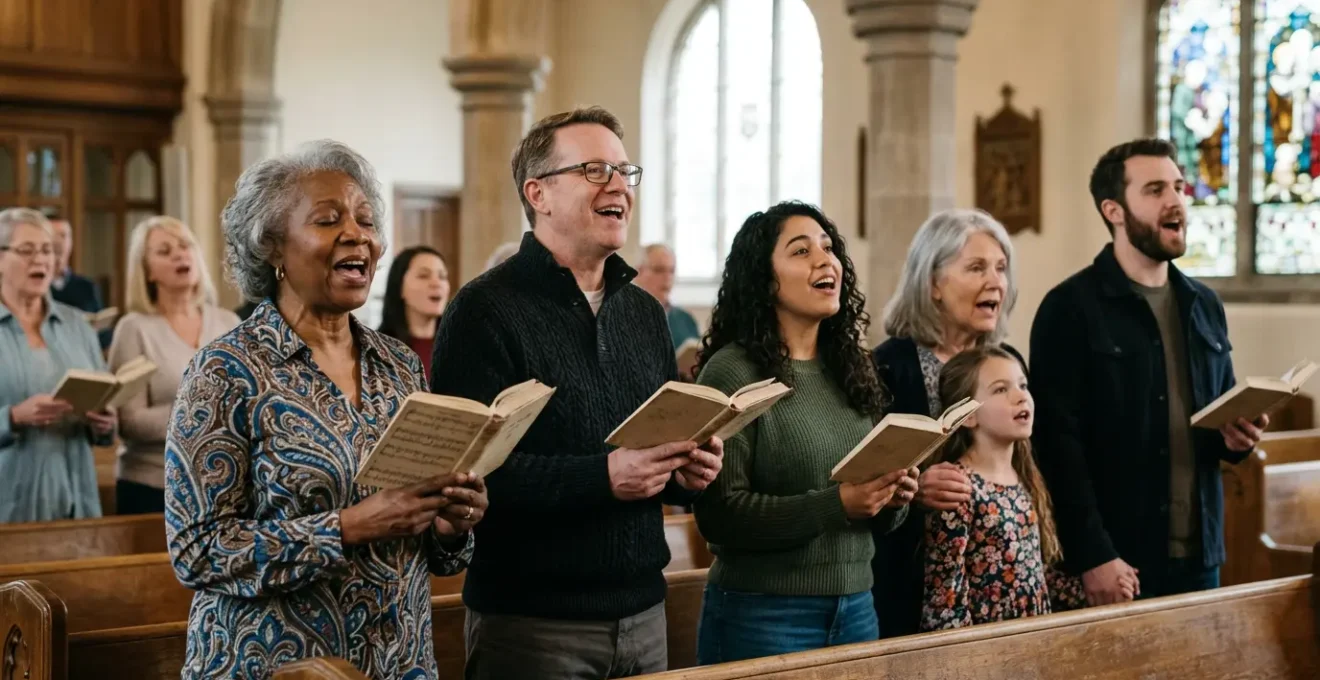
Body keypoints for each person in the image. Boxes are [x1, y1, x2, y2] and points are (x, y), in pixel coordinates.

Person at [164, 140, 488, 680]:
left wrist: (452, 523)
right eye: (328, 219)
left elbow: (437, 556)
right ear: (272, 246)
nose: (357, 234)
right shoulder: (225, 371)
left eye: (366, 220)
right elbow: (197, 551)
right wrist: (346, 527)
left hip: (397, 659)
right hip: (276, 663)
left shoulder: (399, 364)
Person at [430, 106, 724, 680]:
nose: (619, 186)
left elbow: (651, 453)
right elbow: (468, 477)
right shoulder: (483, 310)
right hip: (534, 624)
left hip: (644, 610)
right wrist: (603, 477)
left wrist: (687, 472)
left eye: (624, 171)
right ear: (537, 193)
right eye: (594, 170)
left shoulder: (644, 313)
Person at [1030, 138, 1265, 605]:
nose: (1176, 200)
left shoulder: (1204, 305)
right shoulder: (1069, 308)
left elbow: (1210, 428)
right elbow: (1057, 446)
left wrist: (1236, 440)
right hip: (1118, 560)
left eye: (1179, 187)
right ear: (1114, 210)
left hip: (1200, 557)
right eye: (1155, 190)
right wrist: (1093, 553)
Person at [692, 201, 917, 663]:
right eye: (801, 251)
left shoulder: (850, 368)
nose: (824, 260)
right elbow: (722, 515)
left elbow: (872, 516)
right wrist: (838, 504)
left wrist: (893, 497)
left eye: (828, 248)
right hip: (764, 614)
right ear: (763, 279)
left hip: (857, 607)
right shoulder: (734, 372)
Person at [869, 208, 1021, 637]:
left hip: (999, 584)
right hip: (910, 585)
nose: (996, 282)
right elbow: (861, 477)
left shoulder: (1008, 363)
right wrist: (914, 488)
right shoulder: (887, 368)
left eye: (1001, 268)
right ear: (933, 283)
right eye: (976, 268)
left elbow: (1029, 466)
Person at [920, 346, 1086, 631]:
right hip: (989, 646)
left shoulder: (1023, 478)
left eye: (1023, 385)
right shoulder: (957, 487)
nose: (1021, 396)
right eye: (1000, 389)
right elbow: (945, 598)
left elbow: (1030, 572)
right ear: (967, 416)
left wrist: (1089, 593)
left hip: (1032, 638)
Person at [108, 216, 240, 515]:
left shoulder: (228, 322)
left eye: (185, 246)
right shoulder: (134, 328)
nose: (180, 255)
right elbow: (129, 421)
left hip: (222, 485)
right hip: (153, 485)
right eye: (165, 251)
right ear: (147, 271)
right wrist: (201, 412)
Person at [0, 208, 115, 523]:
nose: (40, 259)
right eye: (27, 250)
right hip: (8, 503)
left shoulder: (77, 325)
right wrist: (12, 417)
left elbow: (104, 406)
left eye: (47, 250)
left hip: (76, 498)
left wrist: (104, 423)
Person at [377, 246, 450, 378]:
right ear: (400, 287)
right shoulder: (378, 349)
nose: (437, 283)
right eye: (423, 276)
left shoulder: (461, 345)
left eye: (442, 276)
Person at [50, 216, 112, 348]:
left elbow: (105, 337)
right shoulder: (35, 288)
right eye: (52, 236)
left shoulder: (87, 287)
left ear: (71, 242)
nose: (58, 242)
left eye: (63, 236)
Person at [634, 243, 701, 350]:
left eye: (671, 271)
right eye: (659, 270)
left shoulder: (685, 319)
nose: (667, 277)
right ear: (638, 273)